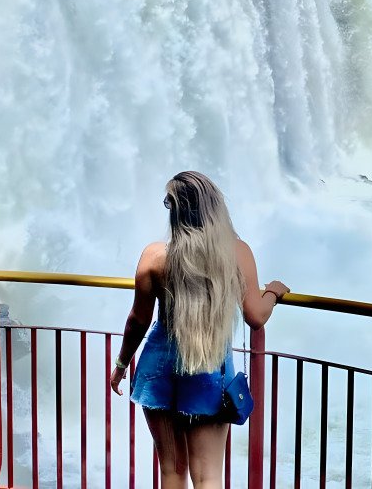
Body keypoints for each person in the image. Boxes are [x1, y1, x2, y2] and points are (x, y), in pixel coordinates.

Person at [109, 171, 289, 489]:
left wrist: (122, 365)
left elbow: (138, 319)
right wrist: (273, 292)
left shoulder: (154, 257)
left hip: (158, 369)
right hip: (209, 369)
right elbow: (255, 316)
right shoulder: (236, 252)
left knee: (171, 471)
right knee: (207, 476)